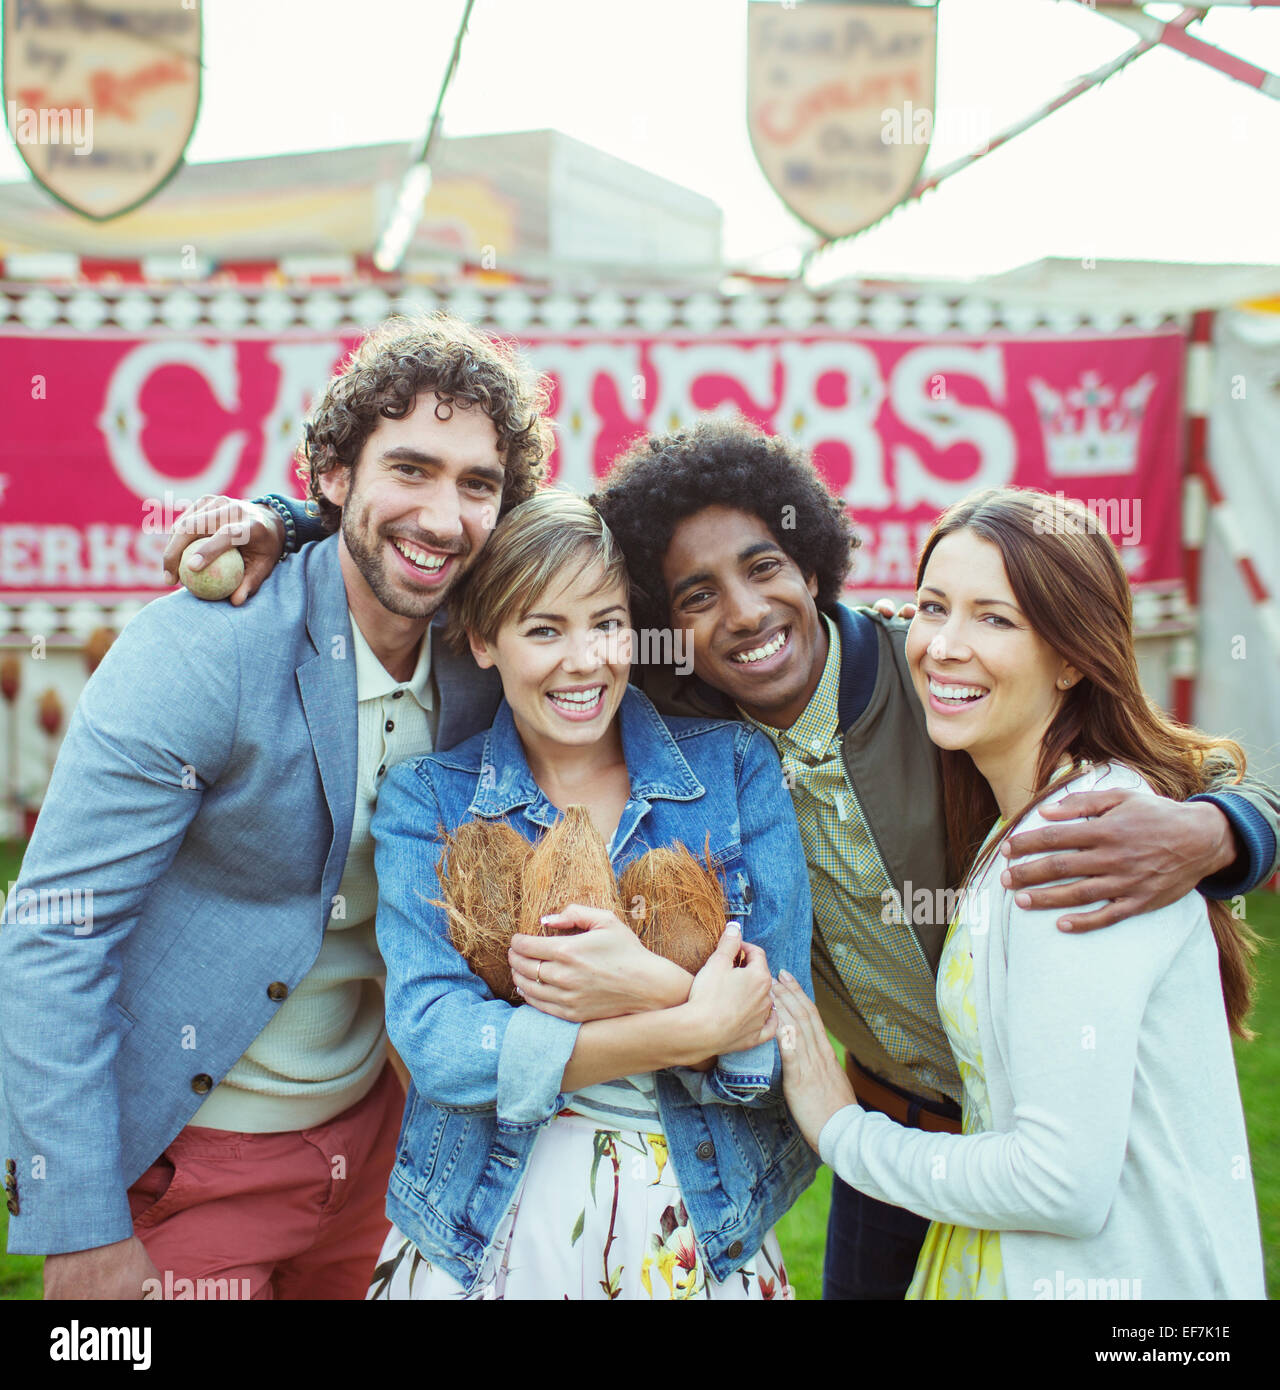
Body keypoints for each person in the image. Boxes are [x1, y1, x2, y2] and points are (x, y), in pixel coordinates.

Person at [203, 416, 1279, 1299]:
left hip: (1004, 1138)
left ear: (813, 559)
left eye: (763, 567)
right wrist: (297, 519)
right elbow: (497, 573)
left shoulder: (942, 682)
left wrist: (1222, 828)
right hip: (881, 1129)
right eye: (694, 598)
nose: (743, 613)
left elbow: (1141, 748)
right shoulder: (663, 704)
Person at [0, 312, 551, 1299]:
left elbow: (610, 579)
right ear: (335, 474)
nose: (442, 514)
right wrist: (79, 1222)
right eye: (411, 469)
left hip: (377, 1147)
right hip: (189, 1162)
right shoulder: (203, 648)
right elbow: (51, 932)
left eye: (478, 485)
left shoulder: (483, 655)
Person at [772, 486, 1265, 1299]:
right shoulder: (1032, 812)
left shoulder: (1084, 843)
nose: (942, 646)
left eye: (994, 618)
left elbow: (1056, 1182)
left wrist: (841, 1131)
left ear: (1073, 655)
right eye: (933, 608)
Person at [365, 490, 816, 1300]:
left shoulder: (734, 770)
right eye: (544, 630)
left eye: (606, 623)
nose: (586, 660)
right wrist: (693, 1024)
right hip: (487, 1220)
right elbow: (439, 1044)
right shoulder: (426, 800)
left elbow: (781, 1042)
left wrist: (650, 985)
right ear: (482, 640)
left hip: (698, 1223)